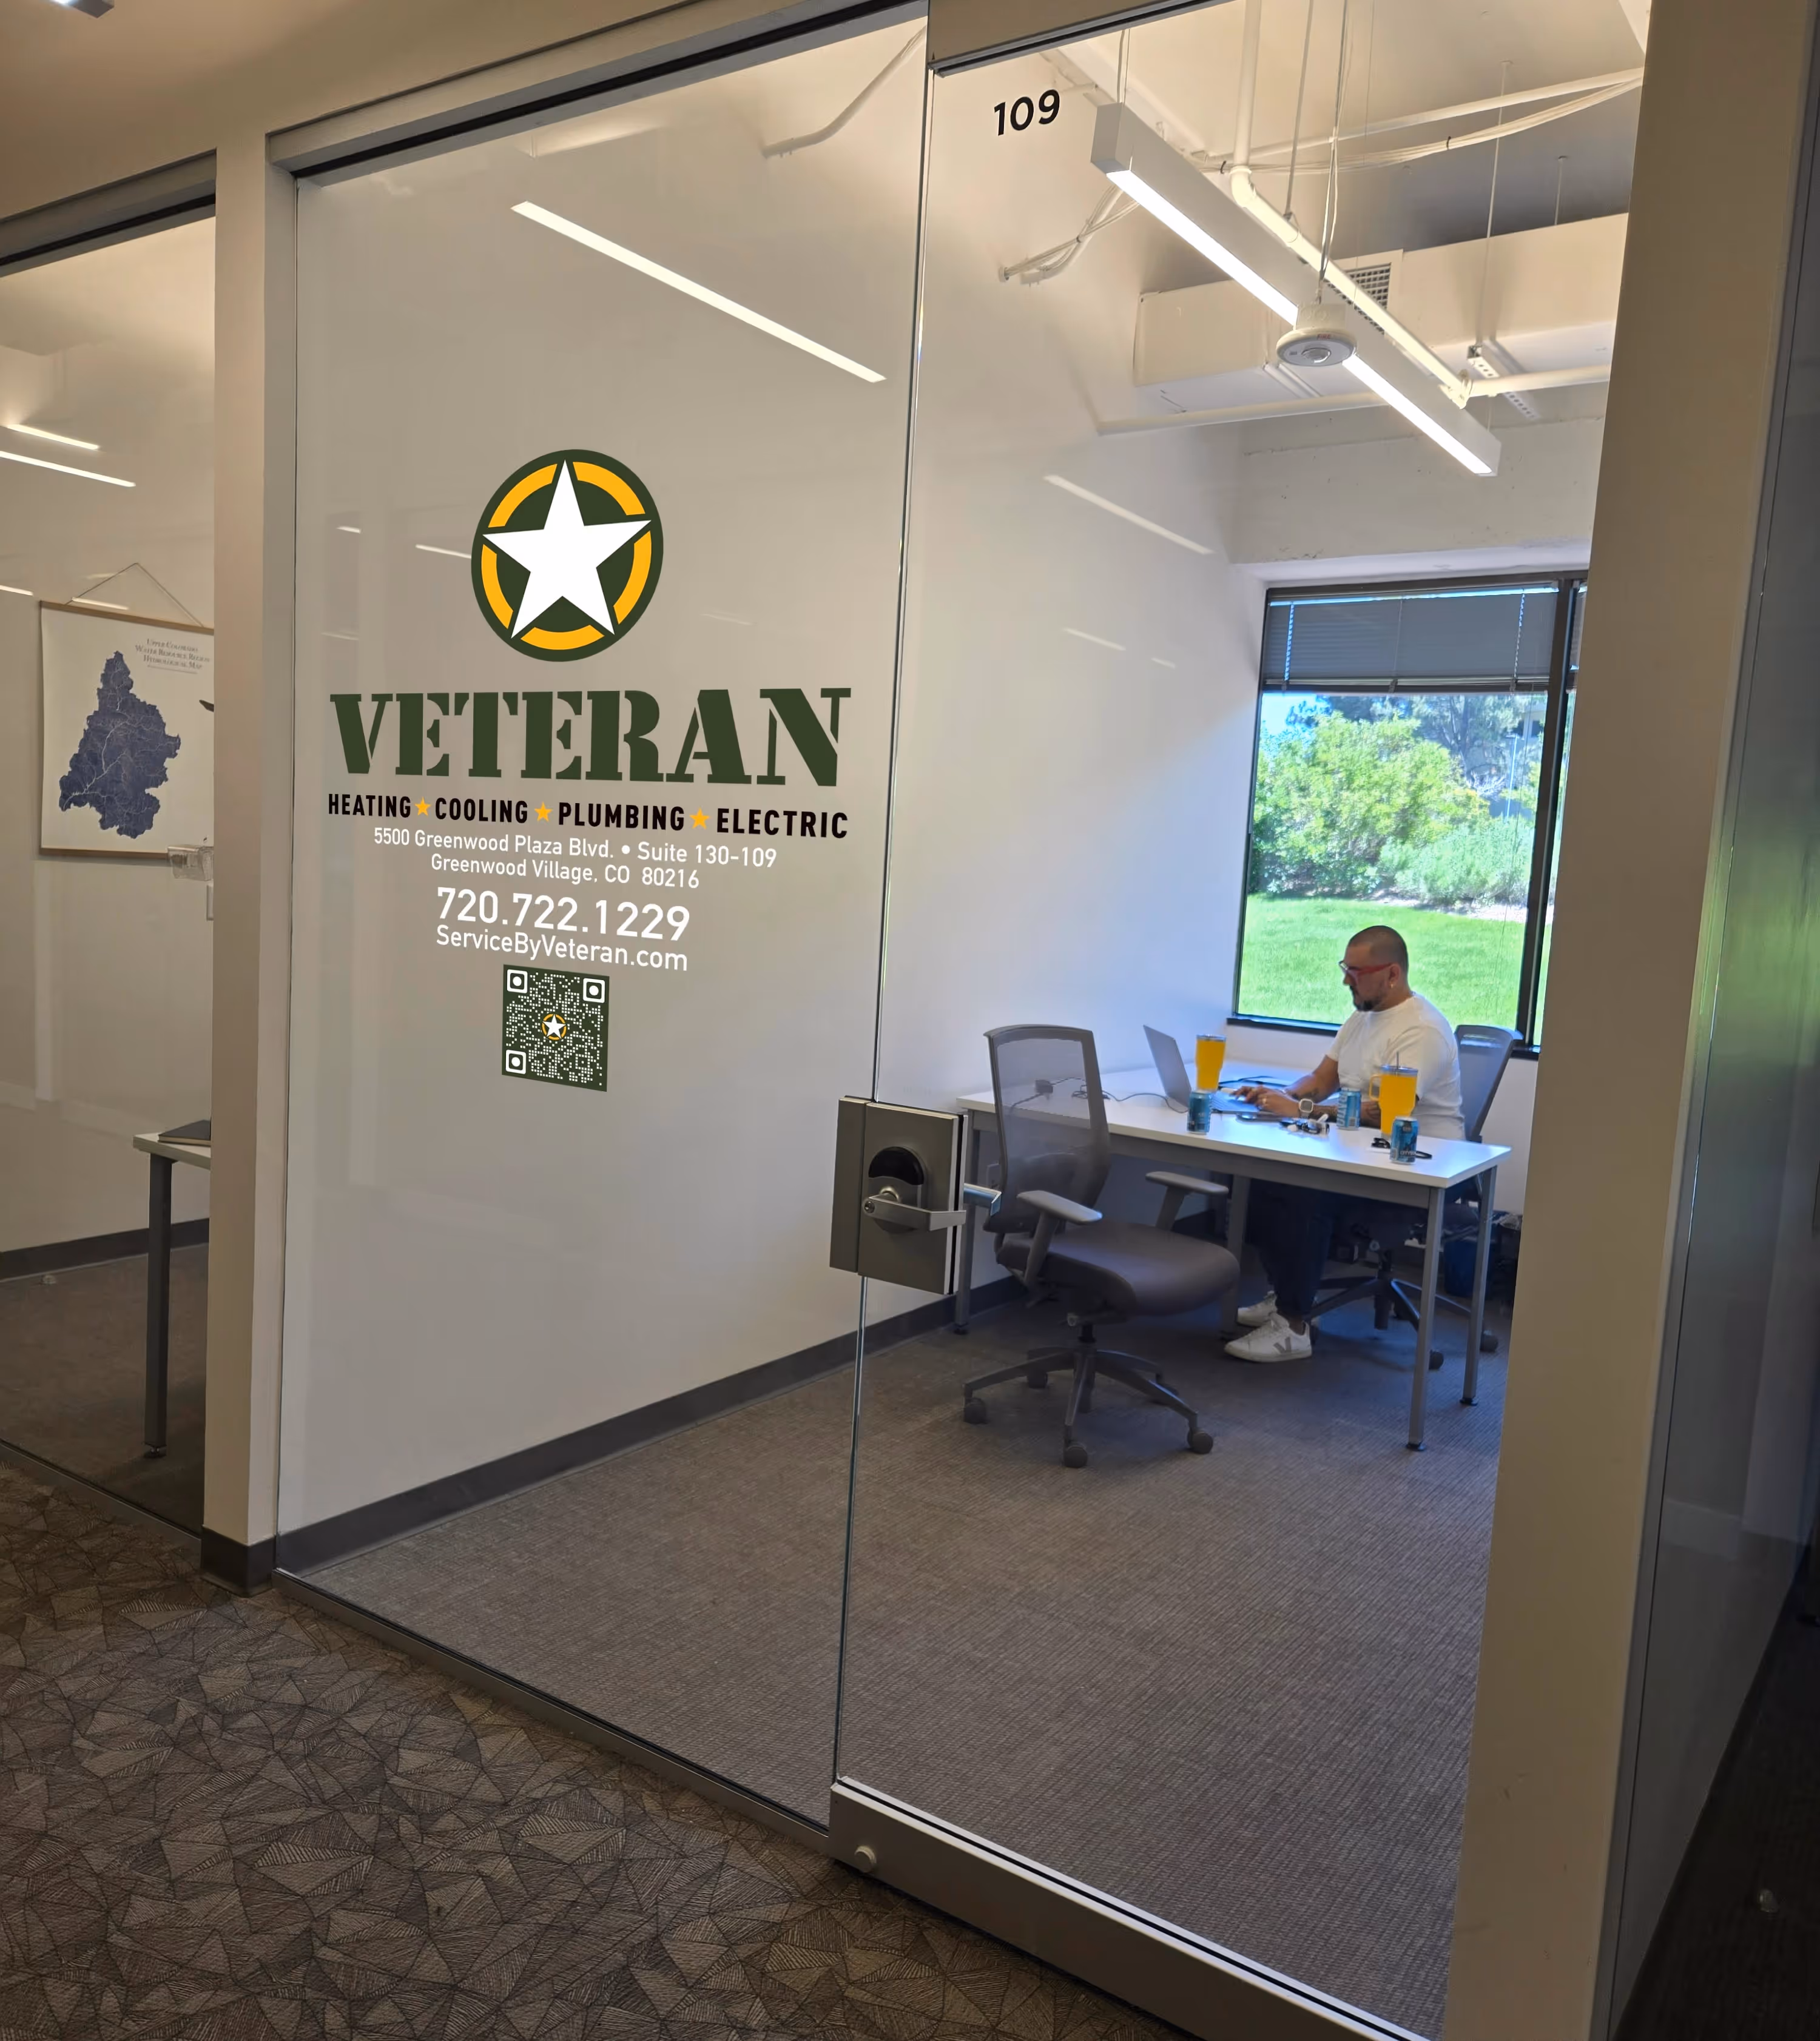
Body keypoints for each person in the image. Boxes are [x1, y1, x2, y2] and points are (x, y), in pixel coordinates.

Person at [1222, 924, 1464, 1363]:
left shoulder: (1422, 1030)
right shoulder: (1362, 1016)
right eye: (1344, 968)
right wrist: (1278, 1094)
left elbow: (1385, 1111)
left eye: (1356, 971)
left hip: (1415, 1167)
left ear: (1392, 974)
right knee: (1261, 1175)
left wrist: (1300, 1112)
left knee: (1300, 1190)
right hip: (1360, 1153)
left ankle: (1294, 1326)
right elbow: (1321, 1079)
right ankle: (1288, 1299)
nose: (1345, 980)